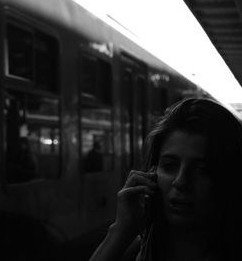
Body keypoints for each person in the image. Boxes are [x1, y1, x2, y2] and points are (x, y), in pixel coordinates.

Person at [89, 98, 242, 261]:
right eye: (170, 165)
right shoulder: (139, 249)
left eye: (202, 170)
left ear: (229, 178)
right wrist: (121, 230)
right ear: (152, 172)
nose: (181, 181)